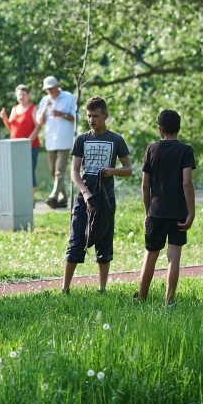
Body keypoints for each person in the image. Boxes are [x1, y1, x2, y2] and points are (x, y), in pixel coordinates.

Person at [61, 97, 132, 293]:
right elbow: (74, 172)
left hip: (106, 201)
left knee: (104, 242)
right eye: (89, 116)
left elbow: (129, 169)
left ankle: (102, 288)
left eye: (96, 116)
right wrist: (85, 193)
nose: (91, 120)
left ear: (105, 116)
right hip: (84, 199)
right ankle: (65, 288)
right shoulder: (82, 139)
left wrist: (113, 170)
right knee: (76, 241)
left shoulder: (116, 139)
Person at [135, 110, 196, 306]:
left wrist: (147, 212)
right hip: (178, 212)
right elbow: (187, 183)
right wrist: (191, 212)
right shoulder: (186, 151)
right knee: (174, 258)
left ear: (161, 129)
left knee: (151, 255)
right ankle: (169, 302)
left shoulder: (152, 149)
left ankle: (141, 297)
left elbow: (145, 185)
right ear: (178, 128)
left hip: (156, 211)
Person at [36, 76, 77, 209]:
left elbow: (77, 117)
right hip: (50, 140)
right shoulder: (44, 100)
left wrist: (63, 114)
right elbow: (40, 122)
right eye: (47, 89)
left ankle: (53, 196)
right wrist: (44, 108)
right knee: (53, 171)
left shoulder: (68, 97)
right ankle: (63, 197)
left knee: (60, 170)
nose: (49, 91)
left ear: (57, 85)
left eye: (51, 88)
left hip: (64, 139)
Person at [0, 84, 41, 198]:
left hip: (31, 146)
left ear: (28, 95)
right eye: (19, 95)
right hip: (15, 146)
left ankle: (30, 198)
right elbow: (11, 127)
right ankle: (19, 196)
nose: (21, 97)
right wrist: (4, 118)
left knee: (29, 171)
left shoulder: (33, 108)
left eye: (24, 94)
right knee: (16, 171)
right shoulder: (14, 108)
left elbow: (38, 126)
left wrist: (28, 141)